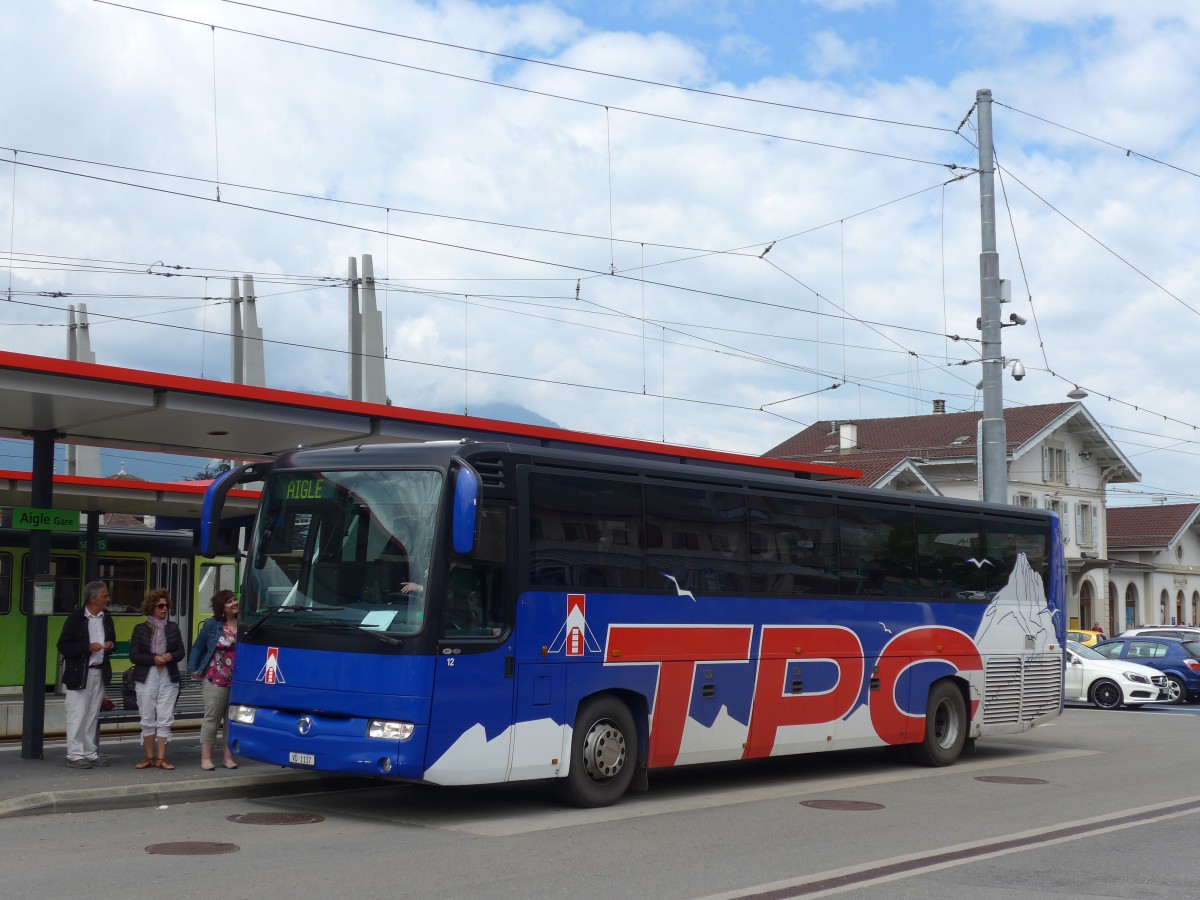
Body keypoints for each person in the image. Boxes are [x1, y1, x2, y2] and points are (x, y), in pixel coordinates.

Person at [57, 580, 116, 769]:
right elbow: (63, 646)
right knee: (77, 713)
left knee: (92, 714)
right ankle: (74, 755)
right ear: (93, 597)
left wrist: (110, 645)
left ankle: (89, 752)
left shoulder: (106, 617)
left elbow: (112, 639)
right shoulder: (76, 618)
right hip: (80, 673)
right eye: (105, 595)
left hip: (99, 671)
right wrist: (87, 648)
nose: (108, 599)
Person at [128, 588, 185, 769]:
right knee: (147, 716)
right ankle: (149, 757)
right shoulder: (140, 629)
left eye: (167, 606)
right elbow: (134, 656)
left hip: (168, 675)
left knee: (165, 715)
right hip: (147, 676)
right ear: (151, 607)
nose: (165, 609)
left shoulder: (173, 627)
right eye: (160, 606)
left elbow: (181, 652)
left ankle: (161, 758)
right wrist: (153, 658)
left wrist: (169, 656)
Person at [189, 589, 239, 770]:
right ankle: (206, 758)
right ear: (221, 607)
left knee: (232, 720)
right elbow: (198, 647)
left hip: (238, 681)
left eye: (234, 599)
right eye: (229, 601)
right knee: (212, 719)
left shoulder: (244, 625)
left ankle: (228, 757)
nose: (234, 603)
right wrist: (193, 668)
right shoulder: (213, 625)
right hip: (215, 678)